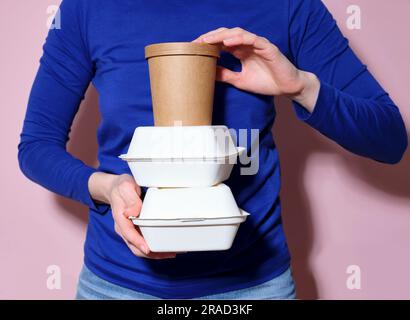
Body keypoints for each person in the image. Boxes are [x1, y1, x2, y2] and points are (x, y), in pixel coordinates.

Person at [18, 0, 407, 300]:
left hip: (254, 287)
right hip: (116, 285)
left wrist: (300, 87)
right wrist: (106, 187)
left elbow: (390, 139)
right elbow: (36, 145)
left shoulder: (288, 6)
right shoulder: (89, 8)